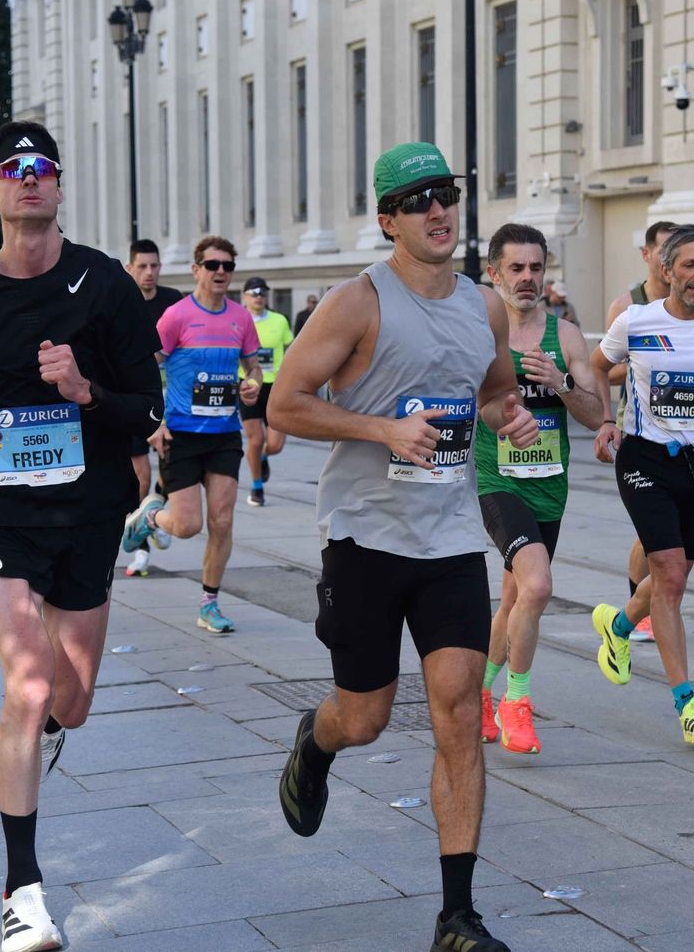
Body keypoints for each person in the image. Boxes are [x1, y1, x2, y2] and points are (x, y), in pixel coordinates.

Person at [267, 142, 537, 952]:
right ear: (387, 220)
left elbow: (489, 392)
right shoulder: (356, 304)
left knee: (459, 709)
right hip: (367, 537)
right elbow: (285, 404)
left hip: (450, 537)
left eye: (445, 194)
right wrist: (381, 427)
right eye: (418, 199)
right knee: (367, 718)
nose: (438, 210)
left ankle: (457, 915)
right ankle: (314, 746)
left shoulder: (484, 306)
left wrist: (510, 415)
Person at [0, 122, 161, 952]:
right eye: (12, 171)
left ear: (59, 188)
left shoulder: (104, 285)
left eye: (43, 169)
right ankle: (21, 891)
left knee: (71, 701)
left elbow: (148, 408)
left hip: (88, 511)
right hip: (0, 510)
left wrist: (84, 389)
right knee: (28, 688)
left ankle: (48, 733)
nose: (30, 181)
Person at [589, 224, 694, 746]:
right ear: (666, 270)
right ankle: (687, 703)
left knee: (673, 572)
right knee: (671, 577)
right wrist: (604, 421)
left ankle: (617, 628)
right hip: (642, 459)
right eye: (690, 266)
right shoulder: (636, 321)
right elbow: (596, 367)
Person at [475, 224, 606, 754]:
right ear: (494, 273)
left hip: (550, 487)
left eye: (536, 268)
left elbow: (598, 416)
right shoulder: (483, 333)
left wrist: (561, 384)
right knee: (539, 586)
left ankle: (480, 694)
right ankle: (517, 702)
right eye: (516, 268)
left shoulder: (567, 336)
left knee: (515, 598)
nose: (527, 278)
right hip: (499, 482)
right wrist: (502, 418)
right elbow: (472, 405)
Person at [121, 236, 261, 634]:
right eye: (213, 265)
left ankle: (209, 604)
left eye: (227, 266)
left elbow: (252, 369)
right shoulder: (177, 316)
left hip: (224, 435)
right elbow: (144, 369)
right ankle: (150, 515)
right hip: (181, 433)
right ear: (196, 269)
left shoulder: (241, 318)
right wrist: (153, 423)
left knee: (222, 520)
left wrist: (251, 384)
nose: (221, 272)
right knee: (187, 525)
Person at [604, 221, 694, 646]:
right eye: (682, 259)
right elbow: (607, 365)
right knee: (662, 540)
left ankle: (645, 598)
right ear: (655, 258)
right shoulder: (630, 307)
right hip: (642, 433)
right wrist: (655, 359)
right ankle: (641, 602)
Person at [123, 239, 182, 578]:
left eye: (154, 266)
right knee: (140, 479)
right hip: (134, 403)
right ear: (130, 267)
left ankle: (153, 511)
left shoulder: (173, 302)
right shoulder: (122, 301)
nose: (149, 273)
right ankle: (142, 547)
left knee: (172, 474)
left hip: (170, 404)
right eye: (142, 266)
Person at [239, 276, 294, 507]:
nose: (259, 296)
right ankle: (257, 487)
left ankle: (262, 457)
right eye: (254, 292)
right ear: (245, 297)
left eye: (263, 292)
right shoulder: (239, 320)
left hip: (275, 386)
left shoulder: (279, 320)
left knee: (275, 445)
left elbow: (290, 348)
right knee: (255, 438)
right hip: (249, 385)